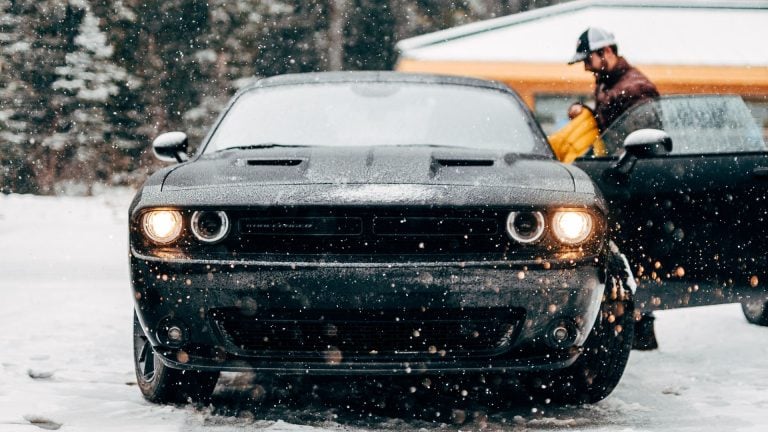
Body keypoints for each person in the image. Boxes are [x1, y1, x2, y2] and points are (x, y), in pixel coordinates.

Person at [569, 27, 661, 351]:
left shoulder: (637, 89)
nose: (586, 66)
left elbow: (639, 143)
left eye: (588, 59)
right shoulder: (610, 83)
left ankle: (641, 328)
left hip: (632, 183)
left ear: (605, 52)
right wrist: (588, 112)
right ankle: (628, 324)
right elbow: (611, 128)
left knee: (635, 254)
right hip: (615, 178)